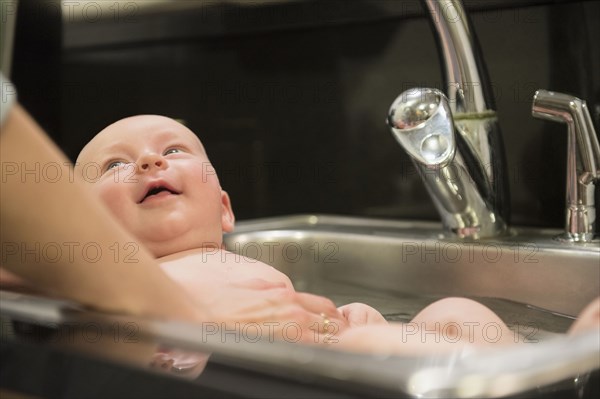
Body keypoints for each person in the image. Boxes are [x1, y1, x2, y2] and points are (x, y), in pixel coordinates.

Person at [74, 114, 600, 360]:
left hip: (315, 360)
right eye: (115, 165)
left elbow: (307, 319)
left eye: (175, 149)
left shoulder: (245, 264)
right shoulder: (109, 278)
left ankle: (547, 377)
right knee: (373, 343)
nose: (149, 160)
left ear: (226, 209)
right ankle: (552, 366)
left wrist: (348, 315)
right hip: (236, 374)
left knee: (455, 313)